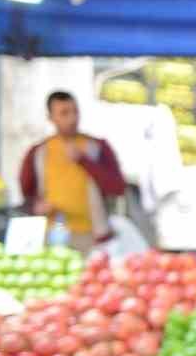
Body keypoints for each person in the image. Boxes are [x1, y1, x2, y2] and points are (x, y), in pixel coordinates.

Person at [18, 91, 127, 253]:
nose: (72, 118)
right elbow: (27, 195)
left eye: (75, 111)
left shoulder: (97, 147)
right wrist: (36, 207)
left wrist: (84, 161)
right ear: (51, 118)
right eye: (64, 113)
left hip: (91, 237)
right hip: (51, 236)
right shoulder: (38, 152)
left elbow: (117, 188)